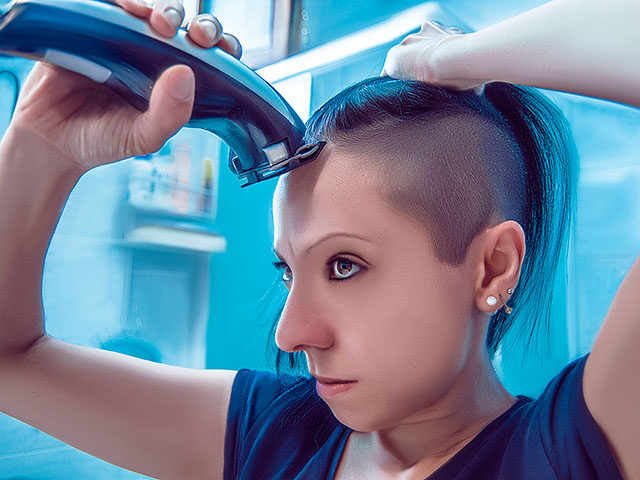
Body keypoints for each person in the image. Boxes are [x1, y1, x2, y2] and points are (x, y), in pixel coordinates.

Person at [0, 0, 638, 479]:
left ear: (492, 268)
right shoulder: (275, 434)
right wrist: (41, 145)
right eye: (287, 269)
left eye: (343, 265)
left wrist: (447, 60)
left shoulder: (567, 454)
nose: (290, 334)